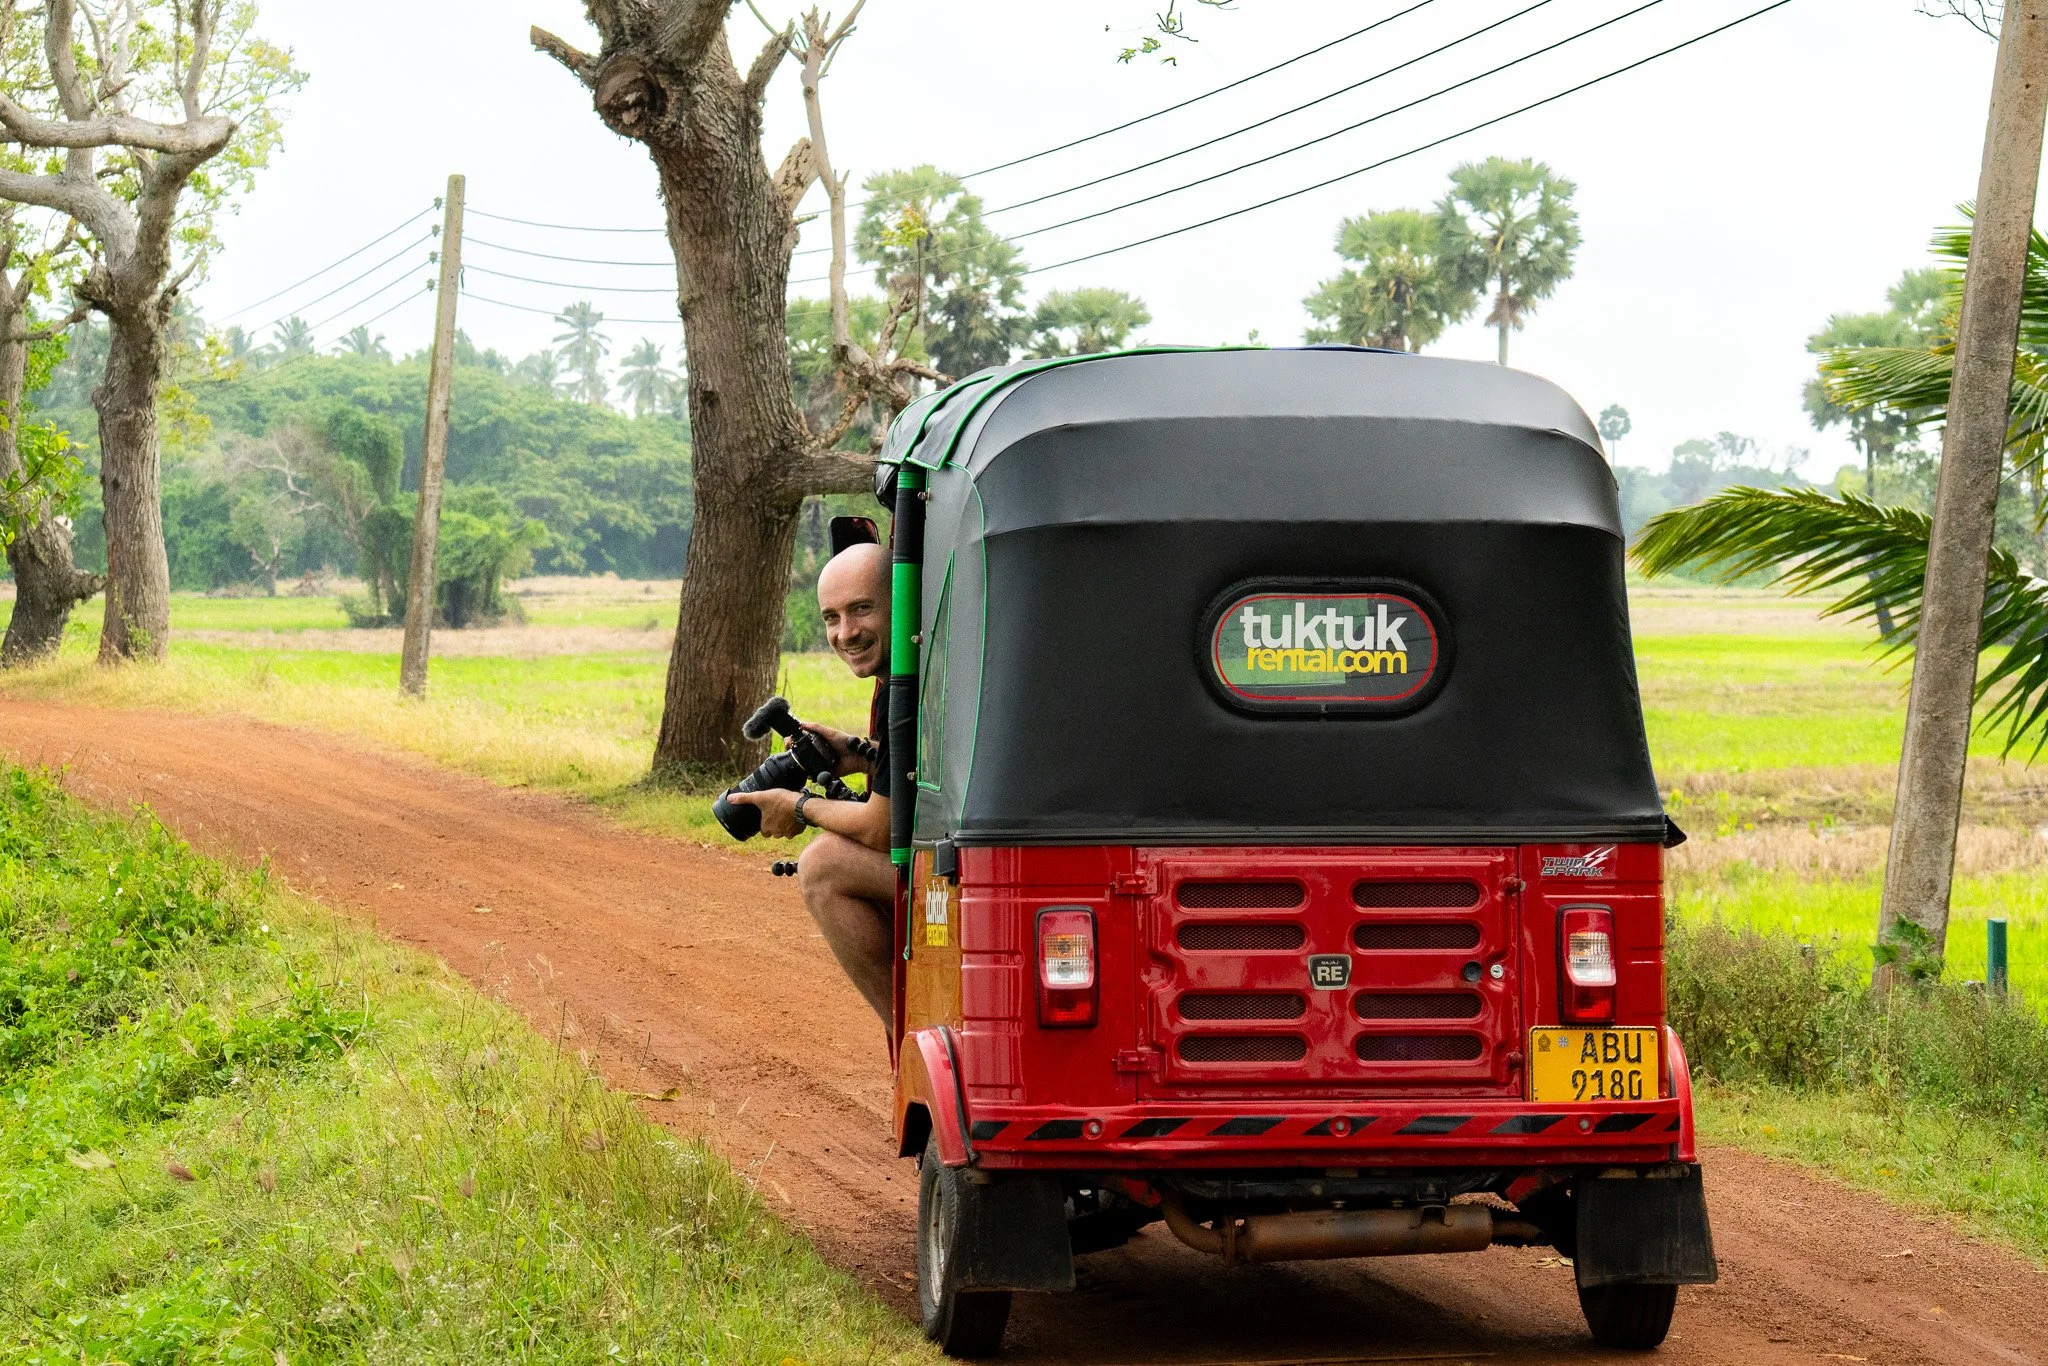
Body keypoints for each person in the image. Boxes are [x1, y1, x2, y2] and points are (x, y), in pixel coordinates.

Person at [724, 542, 895, 1022]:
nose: (847, 632)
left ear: (901, 601)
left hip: (963, 878)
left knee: (822, 864)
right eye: (831, 617)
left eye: (862, 609)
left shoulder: (903, 688)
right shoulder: (922, 671)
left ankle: (905, 1033)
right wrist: (862, 755)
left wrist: (797, 806)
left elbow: (880, 829)